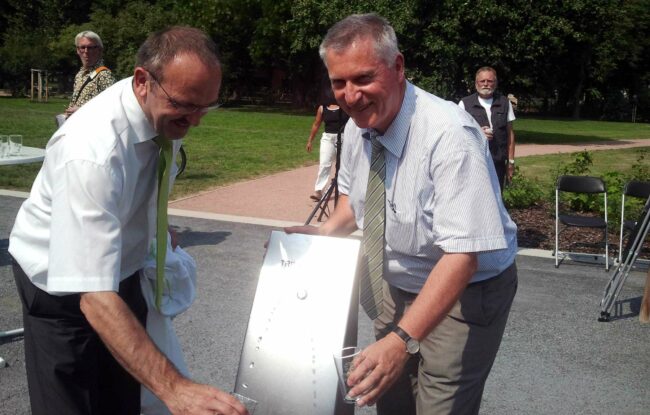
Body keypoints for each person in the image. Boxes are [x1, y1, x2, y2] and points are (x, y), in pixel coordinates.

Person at [286, 14, 518, 415]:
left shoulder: (449, 137)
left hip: (465, 293)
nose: (350, 95)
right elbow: (352, 201)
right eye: (339, 82)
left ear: (397, 67)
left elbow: (463, 256)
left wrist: (400, 341)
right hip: (395, 286)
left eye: (362, 78)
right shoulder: (359, 125)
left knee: (438, 408)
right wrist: (321, 235)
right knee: (390, 402)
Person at [9, 26, 247, 415]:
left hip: (120, 270)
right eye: (187, 106)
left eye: (206, 107)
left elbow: (144, 175)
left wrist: (155, 222)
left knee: (123, 398)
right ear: (142, 82)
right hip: (59, 287)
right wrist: (176, 389)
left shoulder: (165, 106)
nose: (197, 121)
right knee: (73, 402)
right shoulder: (90, 150)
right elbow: (93, 295)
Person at [459, 67, 516, 191]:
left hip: (498, 162)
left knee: (497, 197)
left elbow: (510, 134)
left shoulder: (505, 103)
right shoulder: (464, 104)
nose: (486, 84)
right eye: (482, 81)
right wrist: (479, 134)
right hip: (474, 162)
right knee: (476, 197)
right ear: (476, 83)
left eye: (489, 81)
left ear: (495, 83)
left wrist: (510, 162)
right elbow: (458, 134)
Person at [305, 89, 350, 201]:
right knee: (324, 164)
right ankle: (318, 191)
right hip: (328, 138)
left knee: (342, 167)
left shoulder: (346, 107)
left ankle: (339, 187)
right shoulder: (322, 108)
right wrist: (310, 140)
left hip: (344, 138)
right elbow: (316, 124)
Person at [64, 30, 116, 119]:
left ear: (100, 50)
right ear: (77, 50)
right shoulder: (80, 74)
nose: (86, 51)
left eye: (91, 47)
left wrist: (82, 111)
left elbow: (114, 107)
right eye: (82, 47)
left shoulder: (104, 75)